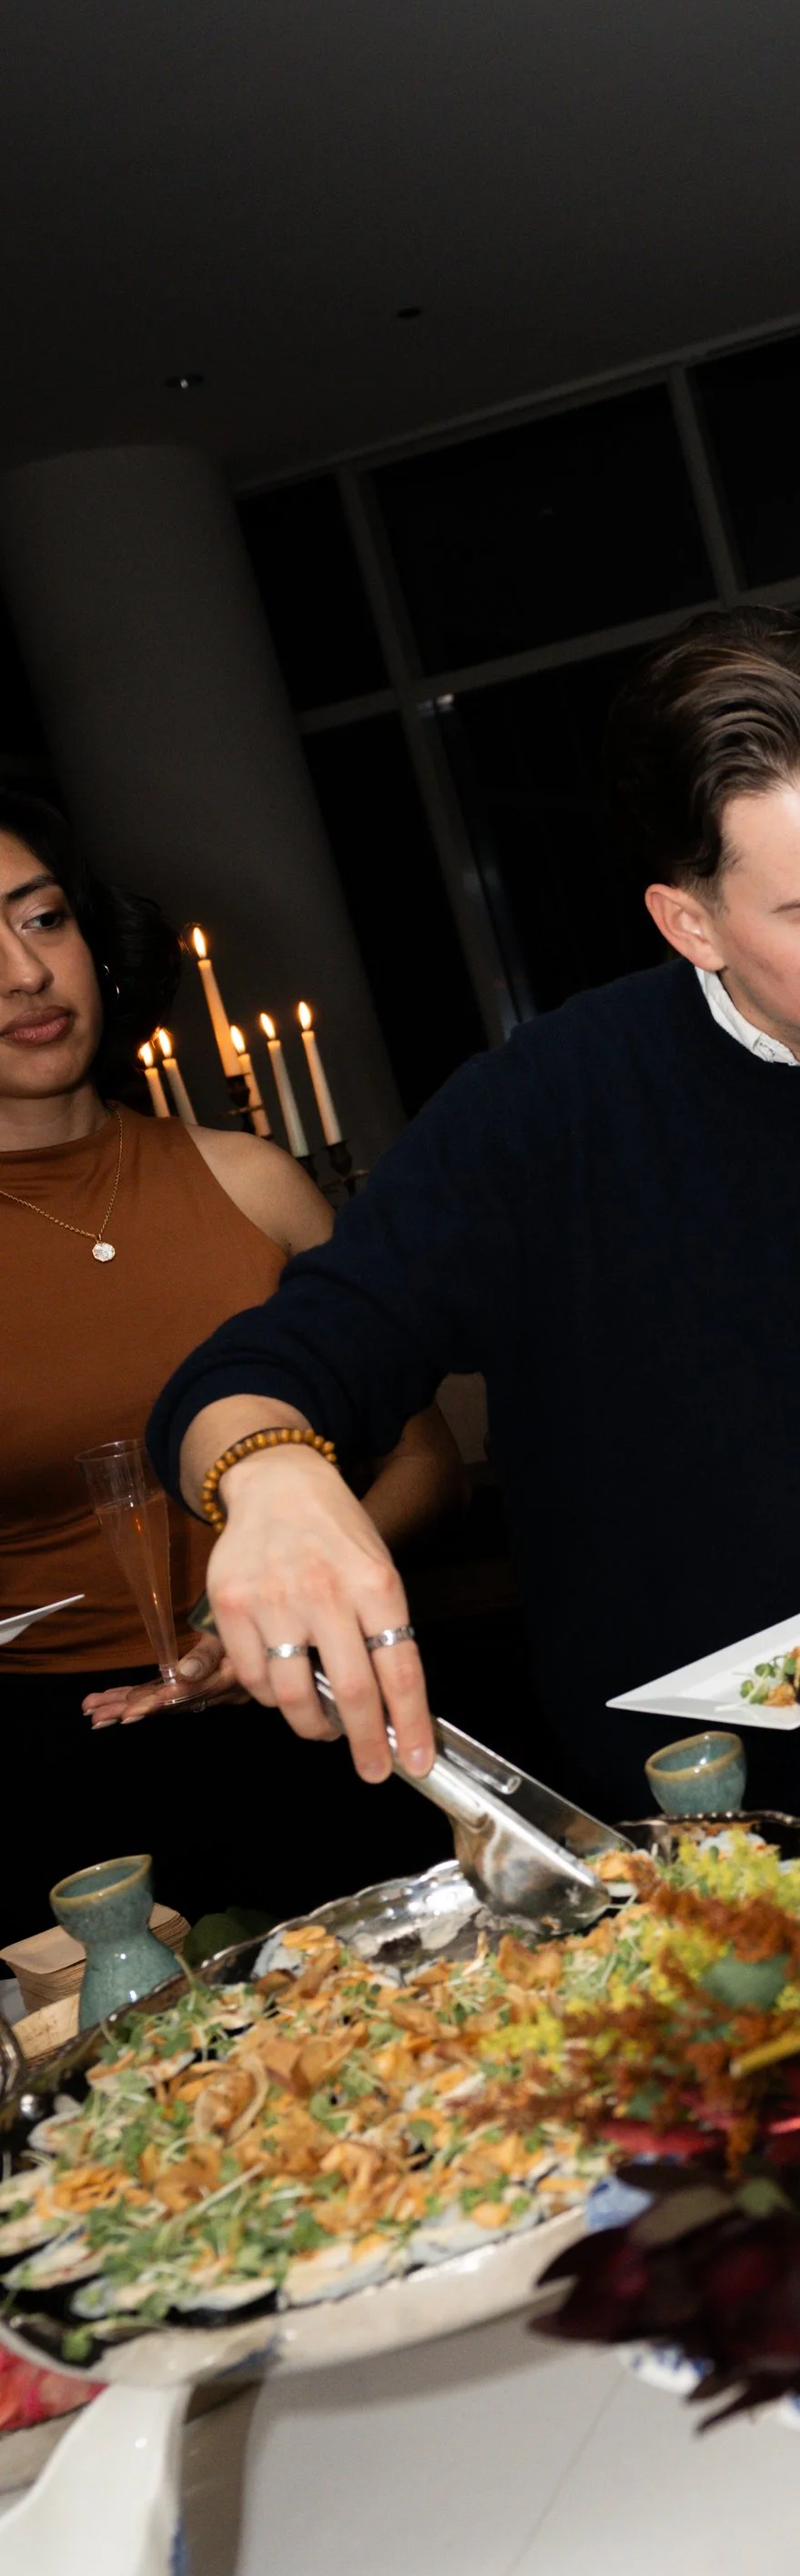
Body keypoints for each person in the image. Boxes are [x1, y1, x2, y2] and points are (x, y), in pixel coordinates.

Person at [148, 610, 800, 1833]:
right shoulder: (544, 1113)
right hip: (692, 1850)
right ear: (691, 923)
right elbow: (265, 1369)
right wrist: (270, 1479)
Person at [0, 794, 461, 1940]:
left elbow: (422, 1459)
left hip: (322, 1706)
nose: (25, 972)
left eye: (43, 919)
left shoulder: (250, 1178)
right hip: (58, 1774)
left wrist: (261, 1608)